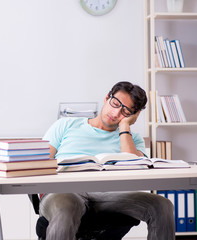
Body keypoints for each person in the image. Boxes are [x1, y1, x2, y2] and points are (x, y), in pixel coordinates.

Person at [40, 81, 175, 240]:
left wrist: (124, 127)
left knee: (162, 206)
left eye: (126, 111)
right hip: (66, 191)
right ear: (106, 98)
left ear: (133, 116)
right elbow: (40, 163)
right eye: (115, 103)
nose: (116, 113)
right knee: (66, 207)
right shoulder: (65, 125)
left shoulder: (132, 139)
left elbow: (136, 169)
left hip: (111, 196)